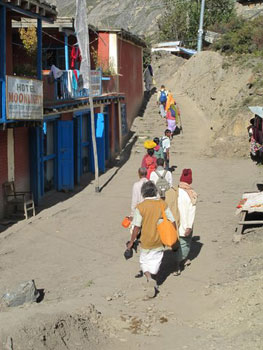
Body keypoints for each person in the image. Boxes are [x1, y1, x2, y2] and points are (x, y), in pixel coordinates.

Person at [127, 181, 176, 298]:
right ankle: (154, 279)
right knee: (156, 262)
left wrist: (131, 242)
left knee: (144, 262)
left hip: (146, 240)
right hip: (160, 240)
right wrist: (174, 236)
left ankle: (149, 278)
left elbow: (136, 227)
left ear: (143, 193)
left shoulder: (141, 207)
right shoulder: (162, 204)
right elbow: (172, 220)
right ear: (155, 191)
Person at [175, 169, 197, 275]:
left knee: (177, 244)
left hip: (174, 225)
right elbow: (191, 212)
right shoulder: (191, 194)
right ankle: (179, 264)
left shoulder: (174, 192)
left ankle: (182, 260)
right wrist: (189, 226)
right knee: (184, 244)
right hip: (185, 225)